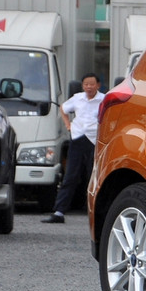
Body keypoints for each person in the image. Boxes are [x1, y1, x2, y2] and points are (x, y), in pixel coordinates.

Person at [42, 73, 104, 223]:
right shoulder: (77, 98)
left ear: (98, 85)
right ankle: (59, 212)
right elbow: (63, 108)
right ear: (82, 86)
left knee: (94, 176)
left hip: (94, 140)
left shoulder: (104, 99)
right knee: (70, 175)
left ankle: (97, 212)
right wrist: (68, 125)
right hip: (77, 138)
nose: (89, 87)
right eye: (86, 84)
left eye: (92, 84)